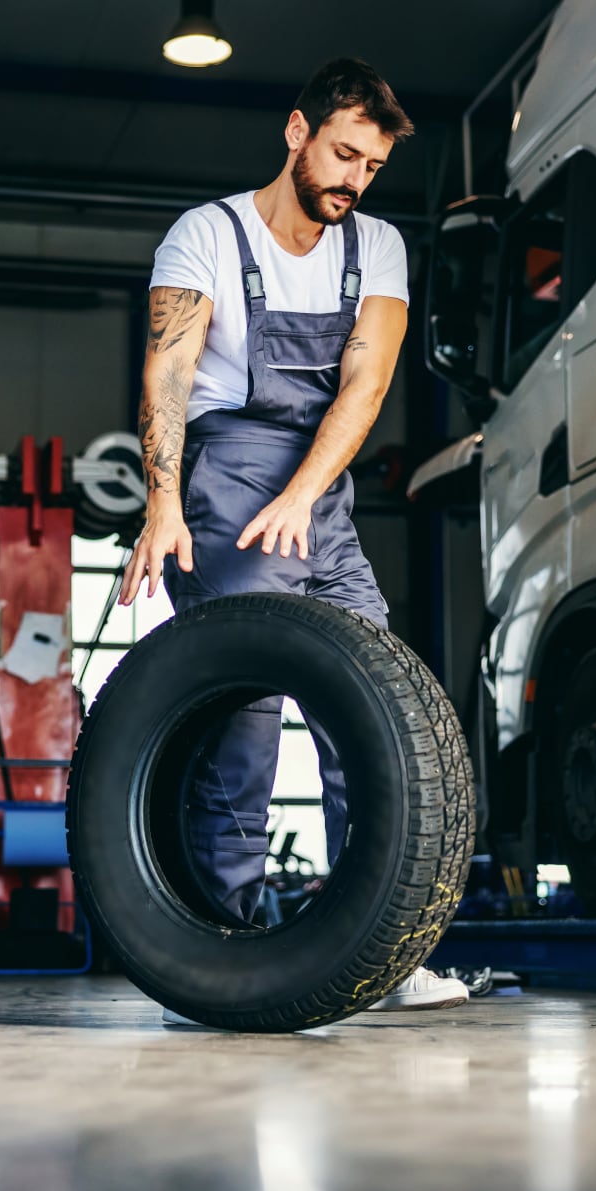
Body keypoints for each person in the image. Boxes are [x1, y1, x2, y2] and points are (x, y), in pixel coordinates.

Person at [118, 56, 468, 1016]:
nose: (355, 179)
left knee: (378, 708)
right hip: (228, 476)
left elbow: (365, 386)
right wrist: (163, 504)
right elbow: (170, 375)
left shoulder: (379, 248)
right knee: (244, 730)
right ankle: (218, 951)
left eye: (373, 166)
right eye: (344, 153)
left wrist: (308, 495)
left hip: (322, 486)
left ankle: (380, 956)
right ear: (296, 132)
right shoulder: (211, 235)